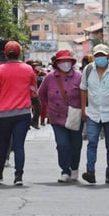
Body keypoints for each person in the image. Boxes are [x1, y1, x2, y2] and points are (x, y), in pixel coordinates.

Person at [0, 41, 36, 186]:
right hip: (23, 113)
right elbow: (33, 90)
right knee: (19, 145)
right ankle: (18, 176)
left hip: (2, 114)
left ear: (5, 54)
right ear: (19, 53)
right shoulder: (28, 69)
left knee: (3, 145)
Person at [80, 43, 109, 184]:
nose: (99, 58)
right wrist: (83, 109)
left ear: (108, 56)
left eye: (102, 55)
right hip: (93, 113)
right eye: (97, 56)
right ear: (93, 57)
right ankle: (90, 172)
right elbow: (83, 89)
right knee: (92, 142)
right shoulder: (88, 70)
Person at [38, 50, 83, 182]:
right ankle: (65, 170)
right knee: (62, 144)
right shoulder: (50, 77)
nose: (65, 64)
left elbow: (85, 95)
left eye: (67, 61)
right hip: (56, 117)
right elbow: (41, 94)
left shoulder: (79, 77)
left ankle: (74, 168)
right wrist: (51, 105)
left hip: (75, 116)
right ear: (57, 63)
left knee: (76, 144)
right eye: (62, 61)